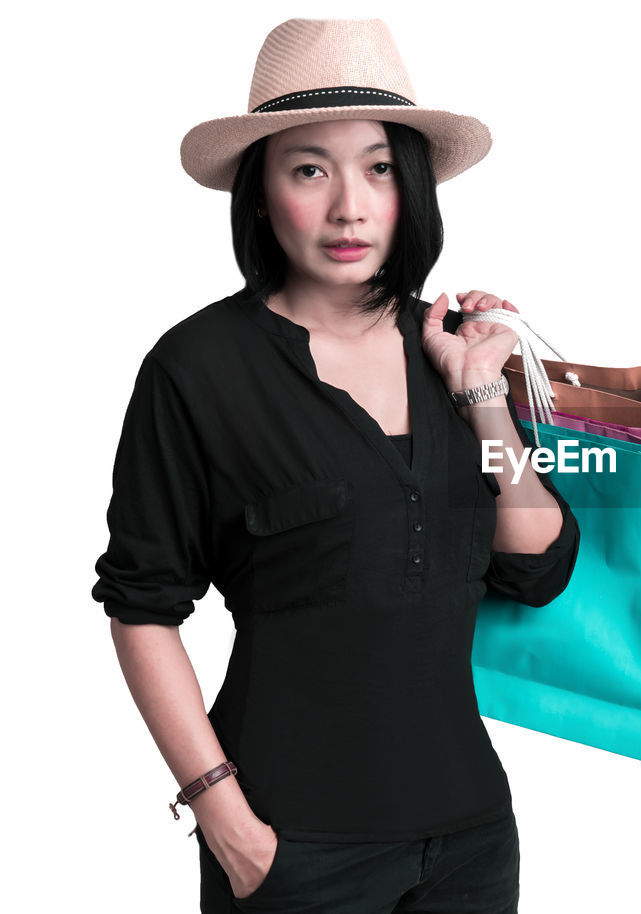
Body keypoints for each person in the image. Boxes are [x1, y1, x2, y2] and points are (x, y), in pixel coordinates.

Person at [90, 18, 579, 914]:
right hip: (289, 846)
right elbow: (140, 606)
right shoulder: (196, 370)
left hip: (471, 838)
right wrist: (227, 825)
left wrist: (483, 398)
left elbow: (538, 563)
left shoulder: (456, 351)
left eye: (380, 167)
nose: (350, 206)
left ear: (412, 187)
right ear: (263, 192)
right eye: (310, 168)